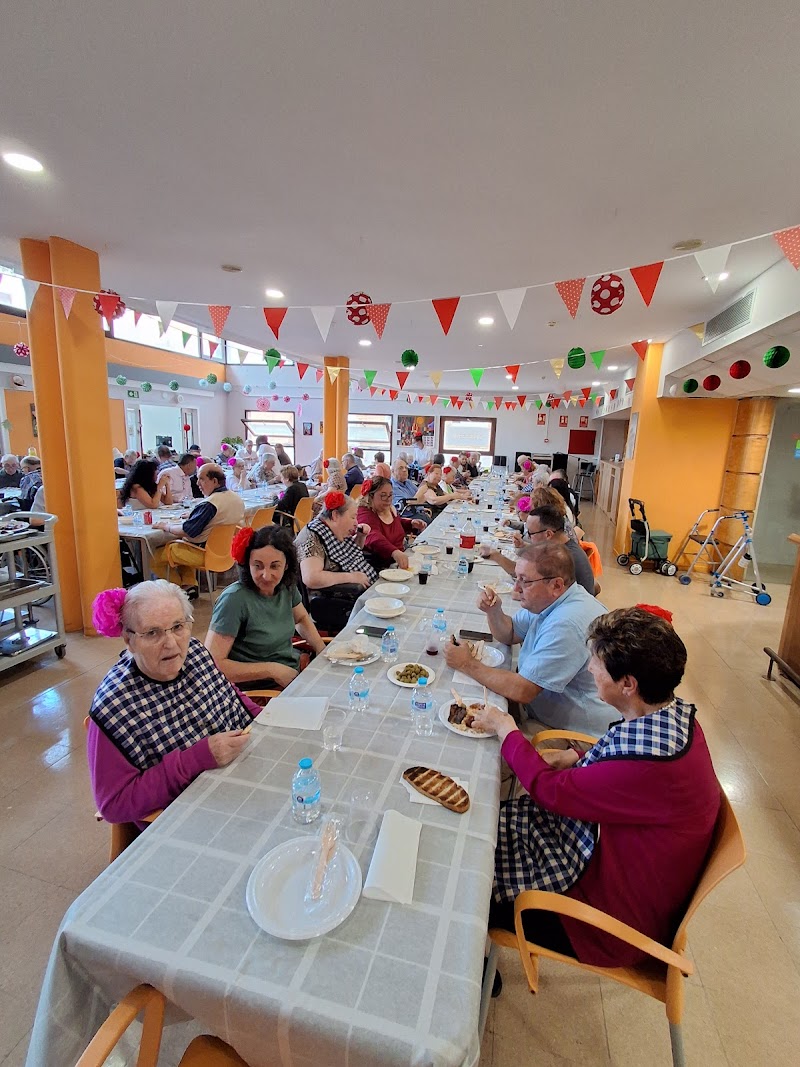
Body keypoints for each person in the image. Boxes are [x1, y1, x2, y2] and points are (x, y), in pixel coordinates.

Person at [473, 606, 721, 969]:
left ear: (628, 684)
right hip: (616, 868)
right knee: (480, 820)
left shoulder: (646, 765)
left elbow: (547, 790)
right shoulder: (672, 718)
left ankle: (472, 973)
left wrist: (505, 727)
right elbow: (616, 757)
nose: (589, 669)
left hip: (604, 922)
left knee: (469, 882)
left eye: (596, 664)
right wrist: (576, 757)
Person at [86, 582, 257, 827]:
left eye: (178, 627)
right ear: (129, 639)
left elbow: (230, 697)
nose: (171, 643)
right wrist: (196, 759)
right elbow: (113, 805)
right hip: (187, 817)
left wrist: (266, 719)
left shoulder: (195, 652)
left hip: (236, 779)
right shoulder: (113, 706)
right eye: (153, 633)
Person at [443, 542, 612, 734]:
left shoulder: (566, 623)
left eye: (525, 581)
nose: (516, 588)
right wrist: (494, 611)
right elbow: (511, 633)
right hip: (541, 708)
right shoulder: (555, 599)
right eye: (517, 578)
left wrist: (466, 663)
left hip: (573, 731)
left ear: (556, 585)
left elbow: (522, 690)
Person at [205, 525, 325, 688]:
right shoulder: (234, 600)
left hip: (291, 672)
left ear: (287, 565)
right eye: (258, 566)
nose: (266, 575)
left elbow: (301, 618)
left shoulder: (285, 587)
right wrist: (271, 670)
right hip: (260, 688)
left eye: (275, 566)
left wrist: (319, 647)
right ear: (248, 565)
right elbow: (214, 665)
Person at [151, 463, 245, 597]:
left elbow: (188, 531)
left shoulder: (209, 504)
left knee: (155, 558)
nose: (198, 483)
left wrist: (166, 526)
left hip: (203, 553)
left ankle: (179, 592)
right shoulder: (236, 498)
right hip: (226, 552)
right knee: (179, 545)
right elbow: (218, 518)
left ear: (214, 481)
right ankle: (190, 585)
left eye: (201, 479)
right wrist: (194, 515)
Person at [295, 490, 376, 632]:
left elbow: (347, 555)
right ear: (335, 515)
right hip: (329, 601)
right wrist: (352, 577)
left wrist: (360, 537)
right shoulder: (312, 537)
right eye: (352, 517)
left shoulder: (334, 529)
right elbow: (311, 577)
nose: (356, 523)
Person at [485, 505, 596, 595]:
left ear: (548, 534)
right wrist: (524, 545)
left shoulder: (560, 557)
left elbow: (521, 574)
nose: (528, 537)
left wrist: (496, 556)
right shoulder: (564, 546)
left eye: (530, 533)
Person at [357, 476, 426, 571]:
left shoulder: (387, 508)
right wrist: (394, 552)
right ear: (371, 496)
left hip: (398, 559)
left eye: (390, 495)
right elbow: (373, 536)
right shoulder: (364, 513)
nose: (388, 499)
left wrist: (410, 524)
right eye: (383, 495)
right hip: (381, 566)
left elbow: (395, 524)